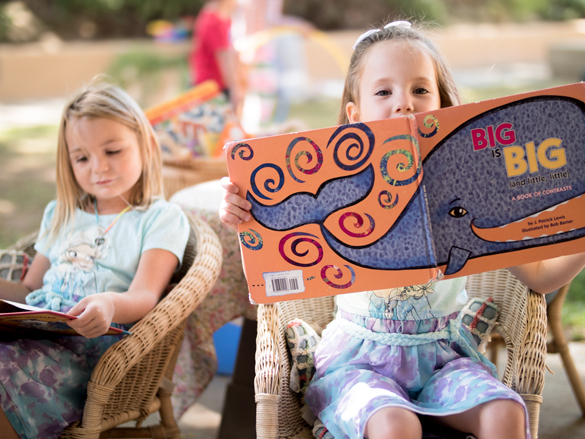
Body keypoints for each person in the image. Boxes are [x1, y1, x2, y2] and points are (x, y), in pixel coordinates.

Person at [218, 20, 585, 439]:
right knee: (395, 425)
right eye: (383, 91)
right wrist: (244, 210)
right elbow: (285, 231)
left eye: (420, 90)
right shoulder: (341, 183)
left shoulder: (478, 189)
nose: (404, 103)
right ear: (355, 116)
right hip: (357, 367)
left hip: (444, 362)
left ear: (444, 106)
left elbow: (541, 275)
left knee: (505, 413)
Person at [0, 80, 191, 439]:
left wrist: (107, 302)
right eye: (83, 158)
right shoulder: (63, 213)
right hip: (32, 334)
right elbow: (28, 290)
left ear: (144, 144)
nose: (98, 167)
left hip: (89, 352)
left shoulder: (160, 218)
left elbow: (145, 296)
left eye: (113, 151)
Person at [189, 0, 243, 115]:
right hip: (212, 87)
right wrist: (235, 89)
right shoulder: (215, 21)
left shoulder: (211, 15)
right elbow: (224, 58)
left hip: (209, 83)